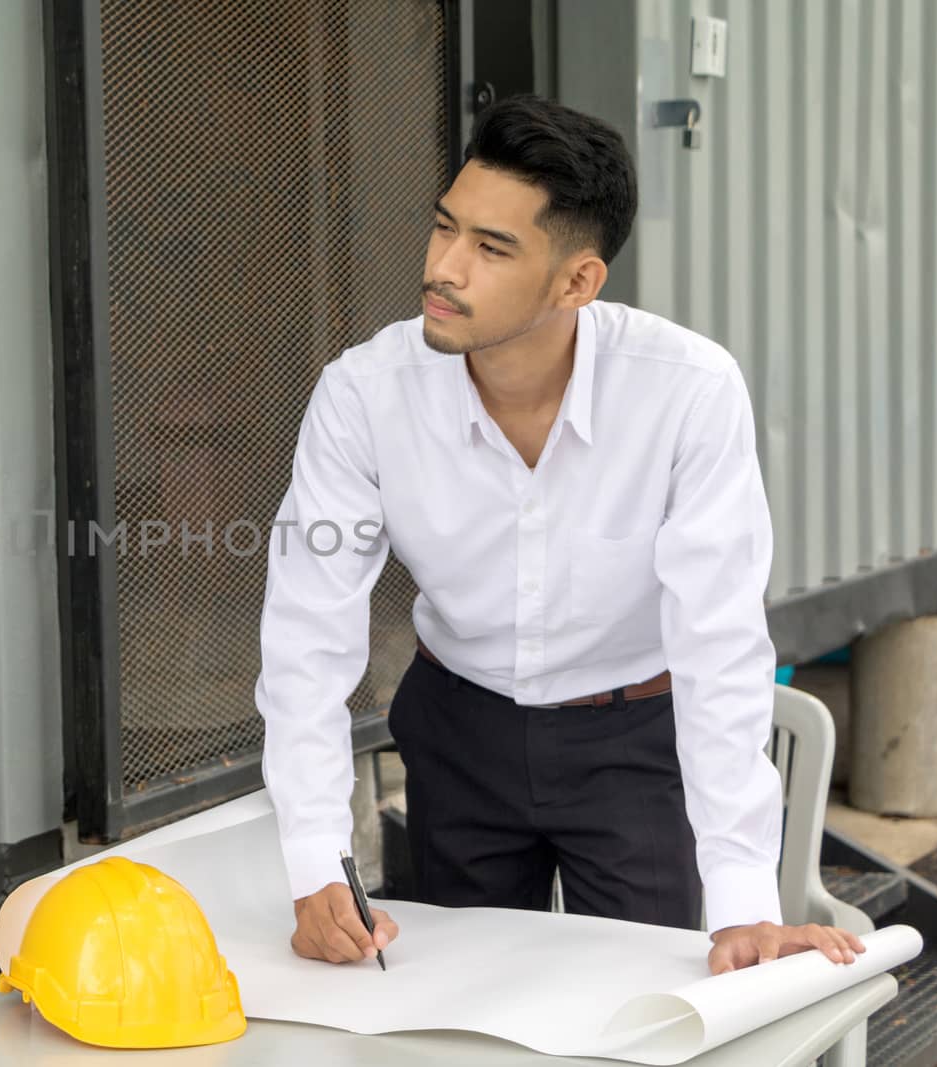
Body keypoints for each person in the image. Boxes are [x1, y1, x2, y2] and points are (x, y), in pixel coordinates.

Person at [253, 94, 865, 977]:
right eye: (445, 228)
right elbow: (309, 629)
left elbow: (719, 641)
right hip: (459, 730)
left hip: (634, 738)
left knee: (649, 1004)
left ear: (577, 281)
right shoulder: (364, 393)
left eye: (492, 247)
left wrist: (743, 901)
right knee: (454, 1008)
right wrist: (315, 865)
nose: (445, 268)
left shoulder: (687, 391)